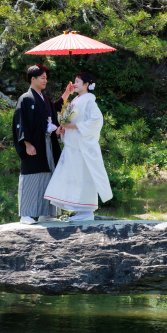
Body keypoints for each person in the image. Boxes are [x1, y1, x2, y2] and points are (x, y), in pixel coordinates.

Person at [43, 72, 113, 221]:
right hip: (72, 145)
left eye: (77, 81)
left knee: (82, 176)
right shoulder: (76, 99)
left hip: (81, 146)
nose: (74, 84)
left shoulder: (89, 101)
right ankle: (78, 209)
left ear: (86, 85)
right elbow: (67, 119)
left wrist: (74, 125)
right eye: (74, 81)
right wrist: (63, 127)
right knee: (69, 176)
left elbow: (96, 121)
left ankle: (86, 211)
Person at [12, 64, 74, 224]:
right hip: (34, 144)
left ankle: (46, 213)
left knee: (49, 176)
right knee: (31, 177)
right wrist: (27, 143)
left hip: (48, 143)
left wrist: (67, 93)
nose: (45, 80)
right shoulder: (25, 99)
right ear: (33, 79)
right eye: (43, 78)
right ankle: (25, 214)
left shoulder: (44, 99)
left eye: (46, 78)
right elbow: (20, 122)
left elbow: (55, 108)